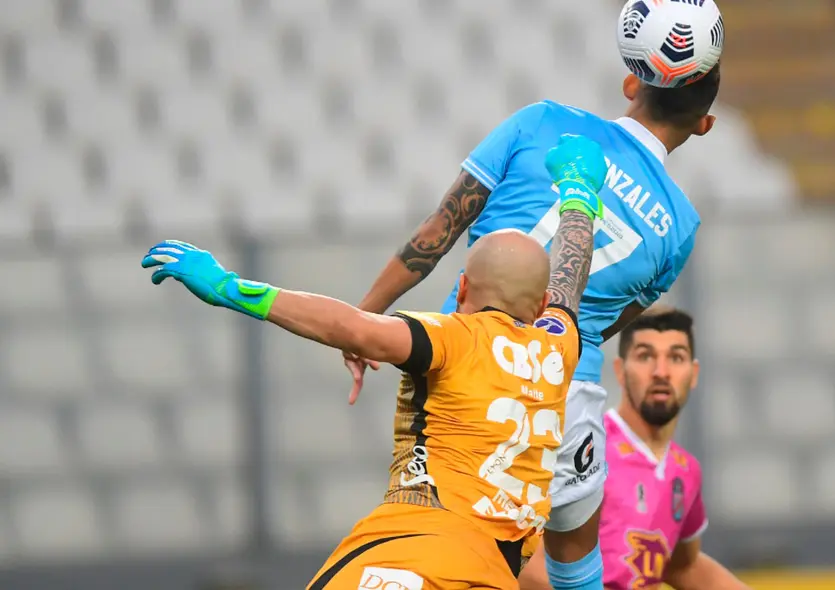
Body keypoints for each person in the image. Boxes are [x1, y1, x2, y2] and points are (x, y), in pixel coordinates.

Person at [141, 135, 608, 590]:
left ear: (462, 289)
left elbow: (352, 327)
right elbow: (570, 272)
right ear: (542, 302)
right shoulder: (561, 344)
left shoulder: (451, 337)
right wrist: (578, 195)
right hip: (493, 572)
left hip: (417, 550)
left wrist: (229, 289)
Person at [344, 60, 721, 589]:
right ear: (704, 125)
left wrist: (367, 317)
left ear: (632, 83)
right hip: (567, 392)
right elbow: (605, 323)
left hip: (473, 375)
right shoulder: (680, 225)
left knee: (455, 537)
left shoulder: (540, 122)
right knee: (574, 564)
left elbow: (439, 230)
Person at [519, 307, 749, 590]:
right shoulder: (585, 451)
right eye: (645, 356)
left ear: (694, 373)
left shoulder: (685, 470)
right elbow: (530, 564)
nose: (661, 372)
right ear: (620, 370)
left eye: (676, 357)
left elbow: (682, 565)